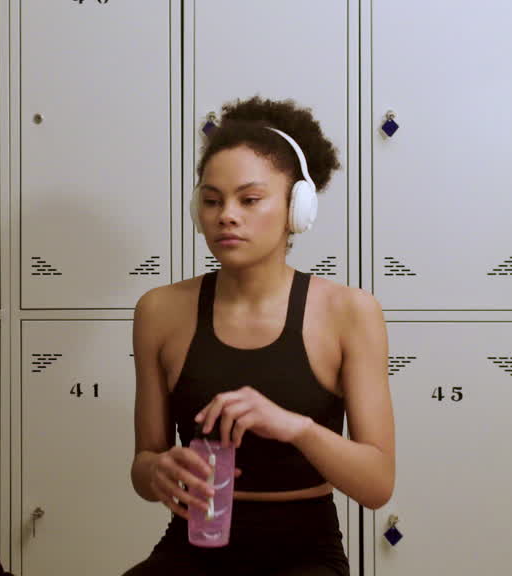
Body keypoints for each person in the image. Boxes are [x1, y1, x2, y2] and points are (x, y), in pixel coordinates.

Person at [124, 96, 396, 576]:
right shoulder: (159, 311)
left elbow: (377, 485)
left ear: (297, 209)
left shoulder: (349, 312)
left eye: (249, 200)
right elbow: (145, 462)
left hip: (303, 552)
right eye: (212, 200)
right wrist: (157, 470)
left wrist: (296, 427)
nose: (227, 215)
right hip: (191, 545)